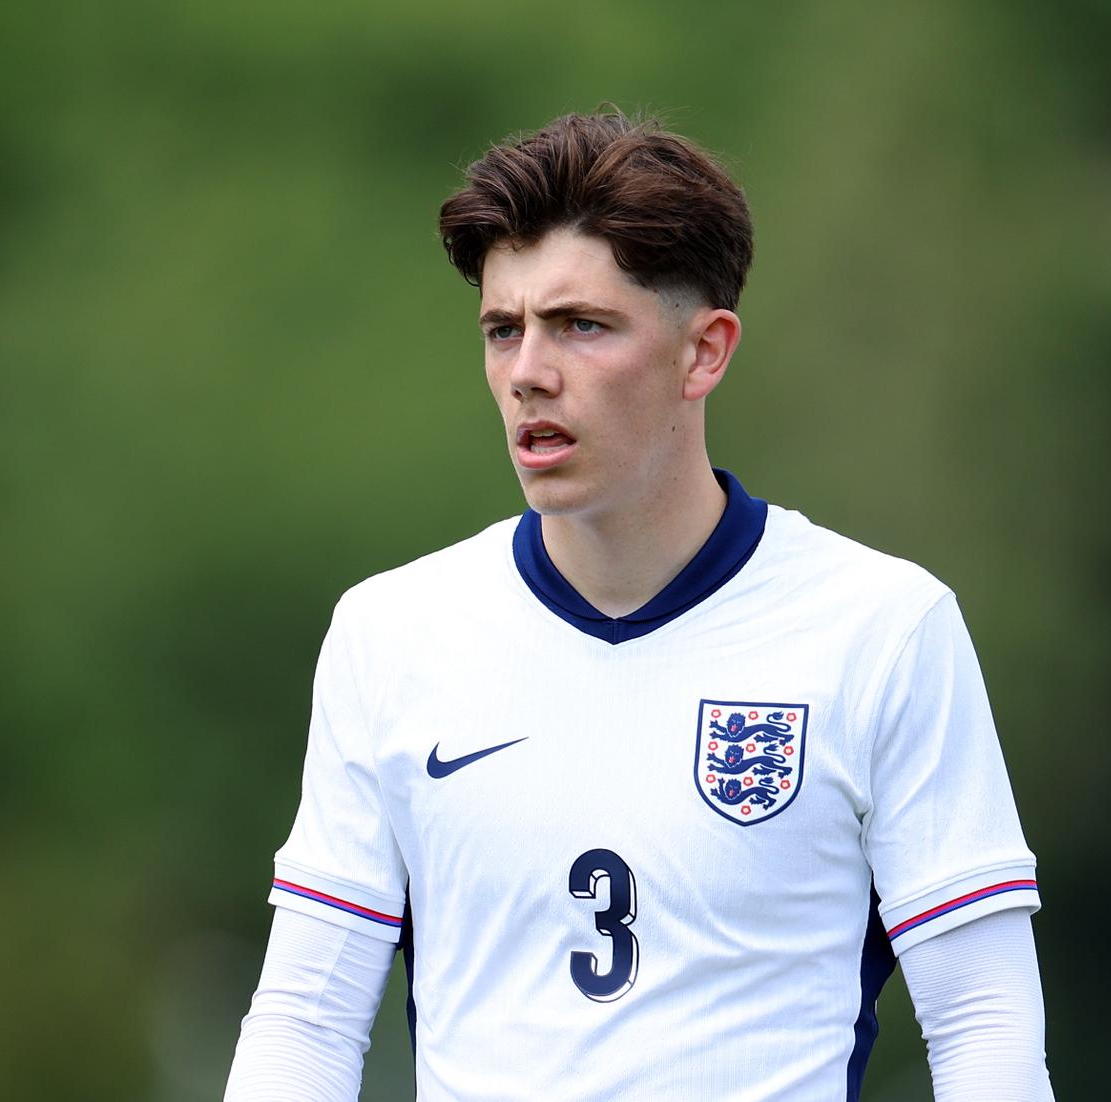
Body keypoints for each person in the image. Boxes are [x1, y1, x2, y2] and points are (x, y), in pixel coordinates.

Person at [225, 109, 1053, 1101]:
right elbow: (306, 1021)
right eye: (503, 330)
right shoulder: (391, 633)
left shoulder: (882, 628)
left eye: (581, 325)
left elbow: (984, 1022)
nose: (528, 373)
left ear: (703, 352)